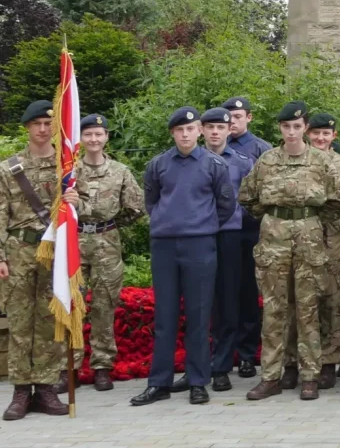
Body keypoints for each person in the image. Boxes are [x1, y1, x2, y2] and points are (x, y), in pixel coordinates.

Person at [131, 107, 235, 407]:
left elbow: (225, 204)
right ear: (173, 133)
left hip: (200, 245)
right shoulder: (158, 165)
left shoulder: (214, 165)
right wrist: (168, 222)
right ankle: (159, 383)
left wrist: (203, 224)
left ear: (200, 131)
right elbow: (151, 200)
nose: (186, 134)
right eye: (180, 130)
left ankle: (199, 381)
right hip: (165, 245)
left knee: (200, 315)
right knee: (165, 315)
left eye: (191, 129)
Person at [239, 102, 340, 401]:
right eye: (287, 127)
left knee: (309, 309)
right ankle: (271, 376)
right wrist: (276, 217)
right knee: (274, 310)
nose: (292, 132)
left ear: (305, 129)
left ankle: (310, 375)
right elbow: (248, 198)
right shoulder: (267, 161)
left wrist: (307, 221)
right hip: (274, 240)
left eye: (298, 127)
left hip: (309, 239)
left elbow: (335, 202)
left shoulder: (321, 163)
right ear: (280, 129)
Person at [0, 101, 82, 419]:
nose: (43, 129)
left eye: (48, 123)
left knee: (50, 322)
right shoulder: (9, 168)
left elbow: (82, 211)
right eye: (36, 124)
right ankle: (21, 391)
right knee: (20, 323)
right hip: (19, 251)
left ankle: (46, 389)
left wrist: (76, 199)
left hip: (55, 253)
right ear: (27, 128)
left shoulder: (67, 167)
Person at [73, 113, 143, 393]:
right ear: (80, 139)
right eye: (88, 134)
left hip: (106, 243)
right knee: (71, 306)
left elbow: (135, 208)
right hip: (74, 241)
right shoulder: (69, 172)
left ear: (106, 138)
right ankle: (71, 366)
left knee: (104, 306)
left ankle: (102, 367)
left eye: (98, 134)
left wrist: (109, 225)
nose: (93, 139)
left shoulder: (120, 172)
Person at [199, 108, 256, 393]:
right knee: (205, 301)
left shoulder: (243, 163)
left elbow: (251, 199)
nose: (214, 132)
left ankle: (224, 364)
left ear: (228, 130)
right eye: (209, 127)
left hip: (232, 236)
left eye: (220, 127)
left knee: (231, 299)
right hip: (198, 236)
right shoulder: (191, 161)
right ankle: (204, 362)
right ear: (201, 130)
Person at [306, 113, 340, 388]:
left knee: (337, 300)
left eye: (325, 133)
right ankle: (307, 360)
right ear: (307, 133)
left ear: (334, 136)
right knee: (307, 301)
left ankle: (334, 358)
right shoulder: (299, 161)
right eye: (315, 133)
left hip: (336, 236)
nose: (320, 138)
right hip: (304, 234)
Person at [221, 96, 270, 379]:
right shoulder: (215, 147)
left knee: (248, 292)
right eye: (229, 117)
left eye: (238, 116)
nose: (233, 121)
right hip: (221, 231)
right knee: (224, 292)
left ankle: (248, 354)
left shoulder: (261, 149)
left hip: (251, 229)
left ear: (249, 118)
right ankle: (224, 352)